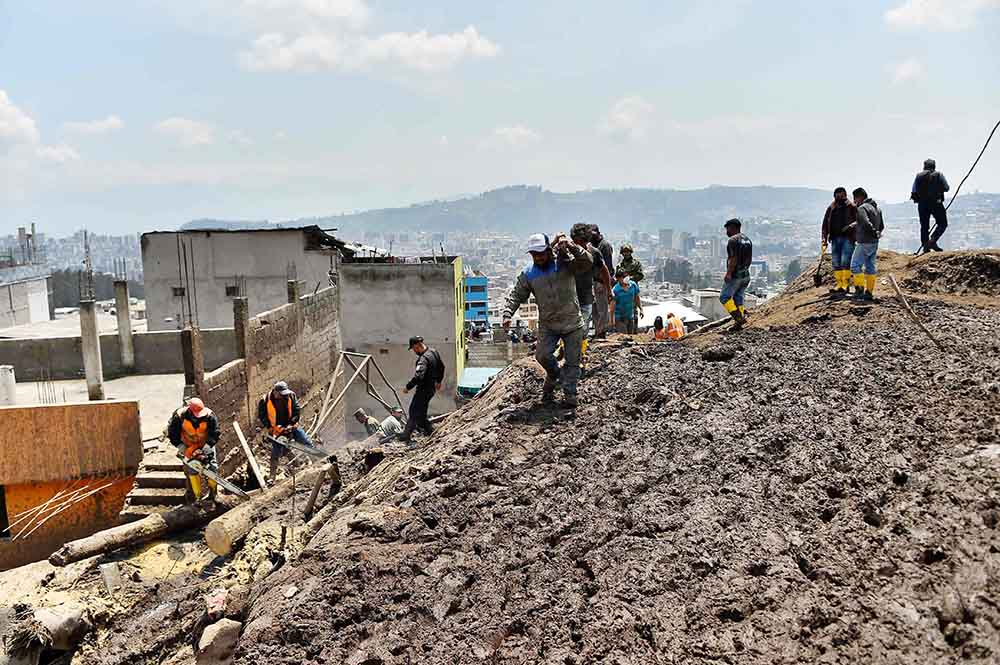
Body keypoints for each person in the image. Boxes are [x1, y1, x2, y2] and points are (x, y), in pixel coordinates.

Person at [503, 232, 594, 407]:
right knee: (542, 356)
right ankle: (554, 374)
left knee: (573, 361)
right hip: (549, 324)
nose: (538, 257)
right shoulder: (529, 274)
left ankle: (570, 394)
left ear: (548, 250)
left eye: (541, 253)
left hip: (572, 322)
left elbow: (587, 262)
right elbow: (516, 295)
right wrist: (508, 314)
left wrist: (572, 246)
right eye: (534, 255)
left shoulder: (564, 263)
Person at [258, 380, 315, 482]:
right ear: (275, 392)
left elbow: (296, 410)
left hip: (290, 425)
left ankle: (316, 460)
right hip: (277, 429)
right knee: (276, 452)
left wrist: (292, 424)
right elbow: (262, 416)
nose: (284, 396)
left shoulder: (291, 396)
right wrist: (270, 427)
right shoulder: (265, 400)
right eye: (281, 394)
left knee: (305, 441)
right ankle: (272, 477)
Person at [570, 223, 612, 361]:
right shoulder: (567, 252)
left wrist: (609, 289)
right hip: (568, 298)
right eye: (576, 242)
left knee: (582, 330)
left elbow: (604, 270)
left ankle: (579, 357)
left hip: (586, 298)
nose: (579, 246)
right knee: (568, 330)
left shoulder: (594, 252)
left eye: (581, 243)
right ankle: (569, 354)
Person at [167, 397, 220, 503]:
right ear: (190, 411)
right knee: (192, 471)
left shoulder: (210, 416)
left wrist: (206, 449)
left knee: (212, 468)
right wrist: (182, 448)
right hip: (188, 445)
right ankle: (197, 498)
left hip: (206, 444)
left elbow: (215, 433)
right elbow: (173, 434)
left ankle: (213, 494)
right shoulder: (179, 416)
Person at [399, 336, 445, 443]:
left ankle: (406, 435)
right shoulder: (434, 352)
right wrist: (439, 381)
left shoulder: (423, 359)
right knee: (421, 414)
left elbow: (418, 376)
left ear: (417, 346)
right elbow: (441, 367)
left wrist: (408, 387)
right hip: (431, 389)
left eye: (414, 349)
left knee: (413, 411)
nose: (414, 351)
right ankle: (431, 431)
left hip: (423, 390)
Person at [850, 187, 885, 301]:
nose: (855, 202)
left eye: (855, 199)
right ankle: (869, 292)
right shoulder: (877, 209)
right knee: (870, 267)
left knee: (855, 266)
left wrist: (873, 232)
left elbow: (865, 223)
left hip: (864, 242)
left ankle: (859, 290)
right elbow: (882, 226)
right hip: (874, 243)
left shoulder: (862, 208)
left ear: (859, 197)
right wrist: (876, 234)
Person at [822, 187, 857, 295]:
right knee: (836, 262)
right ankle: (839, 285)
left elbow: (858, 221)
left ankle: (845, 285)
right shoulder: (831, 207)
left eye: (841, 196)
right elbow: (825, 224)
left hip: (848, 238)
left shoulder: (851, 207)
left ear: (845, 195)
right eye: (837, 196)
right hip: (834, 238)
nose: (839, 198)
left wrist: (851, 228)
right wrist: (824, 238)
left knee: (845, 262)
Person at [911, 158, 950, 253]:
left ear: (924, 166)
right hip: (936, 203)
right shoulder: (939, 175)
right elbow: (946, 188)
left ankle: (926, 246)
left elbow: (914, 191)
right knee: (942, 223)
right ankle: (933, 241)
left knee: (924, 226)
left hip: (922, 204)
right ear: (934, 166)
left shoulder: (918, 176)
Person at [720, 218, 753, 329]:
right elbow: (749, 259)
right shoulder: (747, 240)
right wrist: (745, 270)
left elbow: (733, 258)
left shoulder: (733, 240)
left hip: (735, 275)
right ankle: (739, 324)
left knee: (724, 297)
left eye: (728, 229)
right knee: (738, 298)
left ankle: (739, 318)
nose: (727, 232)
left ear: (734, 227)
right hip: (745, 274)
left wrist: (729, 273)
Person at [589, 225, 615, 338]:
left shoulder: (605, 246)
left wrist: (606, 283)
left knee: (602, 308)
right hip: (594, 281)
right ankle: (598, 330)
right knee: (594, 308)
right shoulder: (593, 245)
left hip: (601, 281)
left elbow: (607, 267)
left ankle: (602, 332)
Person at [616, 244, 645, 331]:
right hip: (622, 290)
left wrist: (629, 279)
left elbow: (641, 275)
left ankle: (634, 331)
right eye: (624, 252)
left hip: (632, 289)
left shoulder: (636, 263)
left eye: (627, 251)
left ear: (630, 252)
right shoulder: (620, 265)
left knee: (634, 311)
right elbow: (617, 277)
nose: (626, 254)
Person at [611, 269, 641, 334]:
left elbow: (637, 298)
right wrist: (612, 320)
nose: (626, 278)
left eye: (626, 276)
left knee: (630, 335)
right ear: (618, 279)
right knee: (624, 336)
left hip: (630, 316)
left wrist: (641, 309)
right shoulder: (615, 290)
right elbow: (612, 306)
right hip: (620, 318)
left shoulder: (633, 285)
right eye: (623, 277)